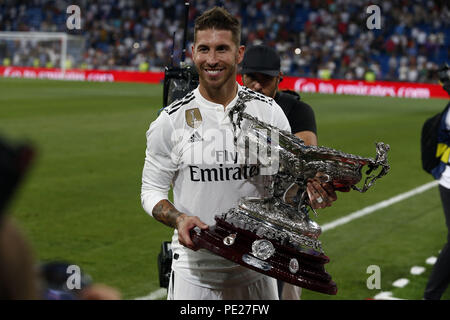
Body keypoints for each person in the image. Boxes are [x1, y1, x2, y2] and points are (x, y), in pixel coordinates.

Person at [141, 6, 337, 300]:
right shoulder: (170, 120)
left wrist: (312, 190)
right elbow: (150, 190)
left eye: (222, 49)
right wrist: (179, 218)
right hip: (195, 276)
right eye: (204, 49)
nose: (212, 59)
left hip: (256, 271)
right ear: (194, 52)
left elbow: (285, 184)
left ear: (239, 53)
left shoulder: (269, 113)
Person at [241, 45, 317, 300]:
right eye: (252, 77)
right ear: (241, 76)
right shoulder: (227, 110)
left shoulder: (297, 110)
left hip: (284, 227)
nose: (257, 86)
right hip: (238, 221)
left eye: (266, 79)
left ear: (279, 79)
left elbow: (302, 162)